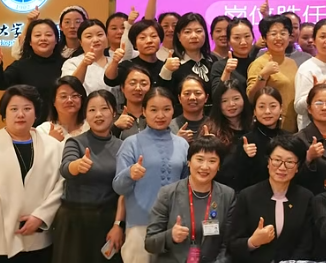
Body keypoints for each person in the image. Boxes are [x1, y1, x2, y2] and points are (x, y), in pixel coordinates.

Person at [0, 85, 65, 263]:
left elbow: (61, 186)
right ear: (4, 114)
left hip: (36, 237)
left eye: (27, 109)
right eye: (14, 109)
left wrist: (41, 216)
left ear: (36, 114)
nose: (20, 114)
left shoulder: (54, 147)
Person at [114, 87, 190, 263]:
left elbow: (187, 185)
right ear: (144, 111)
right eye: (154, 110)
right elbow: (118, 187)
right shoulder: (131, 143)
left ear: (173, 110)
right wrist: (130, 173)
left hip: (174, 225)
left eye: (166, 109)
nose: (160, 115)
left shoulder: (182, 145)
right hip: (140, 224)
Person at [53, 90, 125, 263]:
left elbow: (124, 190)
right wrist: (77, 166)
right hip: (74, 220)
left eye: (104, 108)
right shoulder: (75, 142)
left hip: (107, 220)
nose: (98, 114)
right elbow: (65, 168)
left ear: (114, 112)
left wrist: (118, 225)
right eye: (92, 110)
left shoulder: (123, 146)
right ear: (85, 115)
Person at [145, 137, 237, 263]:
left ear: (219, 166)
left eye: (212, 161)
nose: (205, 167)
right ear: (189, 162)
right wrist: (171, 236)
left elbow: (227, 244)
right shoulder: (168, 193)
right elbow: (150, 243)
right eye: (199, 159)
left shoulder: (227, 195)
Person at [225, 135, 315, 263]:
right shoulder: (248, 196)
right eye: (277, 160)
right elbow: (232, 244)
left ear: (297, 167)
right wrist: (253, 242)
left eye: (289, 162)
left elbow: (306, 244)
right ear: (268, 162)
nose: (282, 167)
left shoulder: (305, 198)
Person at [0, 18, 67, 123]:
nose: (43, 39)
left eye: (48, 35)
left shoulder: (67, 64)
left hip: (61, 124)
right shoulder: (21, 65)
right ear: (30, 41)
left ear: (56, 40)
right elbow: (1, 83)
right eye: (37, 35)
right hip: (29, 125)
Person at [247, 15, 299, 133]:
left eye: (283, 33)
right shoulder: (259, 64)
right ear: (264, 38)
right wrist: (264, 75)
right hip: (270, 129)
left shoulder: (292, 63)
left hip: (293, 128)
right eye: (273, 33)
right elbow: (251, 98)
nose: (279, 37)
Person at [293, 83, 326, 195]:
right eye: (319, 103)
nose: (324, 107)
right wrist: (308, 159)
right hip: (311, 199)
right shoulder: (299, 139)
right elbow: (292, 179)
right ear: (309, 108)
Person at [204, 79, 251, 190]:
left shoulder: (253, 127)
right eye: (224, 101)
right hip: (221, 191)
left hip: (250, 192)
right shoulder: (210, 130)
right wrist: (208, 145)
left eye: (236, 99)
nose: (231, 104)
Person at [238, 87, 285, 190]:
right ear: (254, 111)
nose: (267, 111)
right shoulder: (246, 141)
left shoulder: (289, 139)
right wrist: (244, 156)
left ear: (281, 108)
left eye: (273, 106)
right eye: (261, 107)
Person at [160, 13, 216, 97]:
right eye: (187, 32)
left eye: (198, 31)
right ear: (179, 36)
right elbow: (162, 94)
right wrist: (166, 70)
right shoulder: (172, 63)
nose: (194, 36)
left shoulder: (212, 60)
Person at [106, 20, 166, 90]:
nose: (149, 41)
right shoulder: (128, 65)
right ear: (135, 44)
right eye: (142, 38)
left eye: (153, 36)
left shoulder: (165, 67)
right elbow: (110, 80)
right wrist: (115, 61)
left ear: (160, 40)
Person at [63, 19, 116, 95]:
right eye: (89, 36)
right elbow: (69, 88)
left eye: (100, 35)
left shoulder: (114, 61)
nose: (96, 40)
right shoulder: (72, 63)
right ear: (81, 42)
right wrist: (84, 64)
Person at [208, 18, 258, 96]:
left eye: (247, 36)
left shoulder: (258, 62)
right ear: (229, 41)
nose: (243, 42)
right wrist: (227, 72)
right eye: (237, 38)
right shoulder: (220, 66)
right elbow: (216, 97)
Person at [37, 76, 89, 141]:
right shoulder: (43, 130)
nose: (69, 100)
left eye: (75, 95)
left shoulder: (91, 127)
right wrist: (50, 141)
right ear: (54, 101)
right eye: (63, 96)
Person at [113, 66, 152, 140]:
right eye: (132, 83)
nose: (138, 88)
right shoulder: (113, 117)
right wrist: (116, 127)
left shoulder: (156, 116)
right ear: (122, 88)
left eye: (143, 84)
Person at [170, 76, 209, 142]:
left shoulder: (216, 126)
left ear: (206, 98)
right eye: (187, 93)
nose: (192, 98)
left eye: (198, 93)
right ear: (179, 98)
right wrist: (177, 141)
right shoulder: (169, 127)